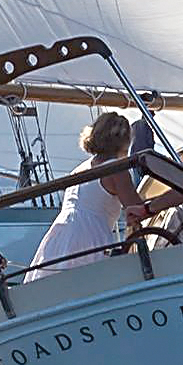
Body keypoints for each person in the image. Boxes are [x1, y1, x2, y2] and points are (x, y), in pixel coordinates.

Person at [31, 112, 149, 275]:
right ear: (125, 141)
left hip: (61, 234)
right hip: (89, 237)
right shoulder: (116, 170)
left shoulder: (80, 169)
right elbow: (138, 208)